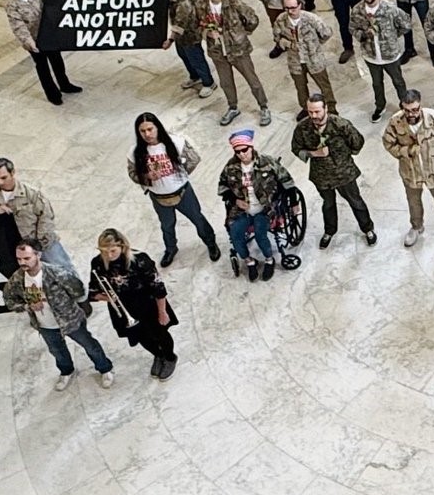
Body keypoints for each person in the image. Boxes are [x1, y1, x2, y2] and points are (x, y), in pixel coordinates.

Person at [5, 238, 114, 392]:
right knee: (57, 351)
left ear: (38, 255)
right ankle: (66, 371)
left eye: (27, 258)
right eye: (19, 259)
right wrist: (27, 306)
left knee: (89, 345)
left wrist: (73, 306)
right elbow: (9, 300)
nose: (23, 262)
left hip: (70, 320)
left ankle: (105, 368)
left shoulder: (58, 273)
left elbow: (78, 290)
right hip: (44, 325)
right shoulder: (17, 280)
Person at [127, 113, 220, 268]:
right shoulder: (135, 151)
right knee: (167, 225)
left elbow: (194, 158)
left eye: (150, 129)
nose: (147, 134)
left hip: (183, 193)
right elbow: (132, 173)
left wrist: (180, 174)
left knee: (197, 218)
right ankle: (171, 249)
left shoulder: (175, 142)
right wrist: (146, 177)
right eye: (142, 131)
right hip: (158, 196)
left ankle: (211, 243)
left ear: (157, 127)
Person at [89, 228, 178, 381]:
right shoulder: (98, 263)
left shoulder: (139, 260)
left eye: (113, 251)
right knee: (141, 337)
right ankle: (158, 355)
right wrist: (107, 298)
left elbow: (158, 287)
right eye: (104, 251)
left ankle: (170, 357)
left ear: (122, 246)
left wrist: (162, 312)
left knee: (160, 333)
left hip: (147, 303)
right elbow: (93, 290)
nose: (109, 255)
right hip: (124, 309)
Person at [291, 93, 376, 247]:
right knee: (328, 204)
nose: (313, 115)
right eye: (310, 112)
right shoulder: (303, 127)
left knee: (355, 201)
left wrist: (344, 157)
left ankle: (367, 229)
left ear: (326, 108)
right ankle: (329, 231)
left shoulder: (341, 125)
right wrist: (313, 153)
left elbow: (357, 142)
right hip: (321, 175)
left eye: (317, 111)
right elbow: (296, 148)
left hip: (344, 173)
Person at [382, 88, 434, 249]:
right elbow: (388, 143)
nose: (411, 114)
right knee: (413, 201)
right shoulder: (395, 122)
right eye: (407, 110)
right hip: (411, 171)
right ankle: (416, 226)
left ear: (420, 106)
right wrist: (407, 151)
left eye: (415, 110)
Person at [196, 0, 271, 128]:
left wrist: (242, 34)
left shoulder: (234, 3)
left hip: (238, 50)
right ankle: (232, 107)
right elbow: (196, 25)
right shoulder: (201, 5)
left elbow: (252, 20)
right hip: (217, 51)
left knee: (252, 81)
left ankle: (263, 106)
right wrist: (207, 33)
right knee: (226, 82)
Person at [0, 157, 76, 273]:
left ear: (12, 173)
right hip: (17, 249)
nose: (0, 182)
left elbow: (46, 217)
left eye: (3, 178)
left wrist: (37, 244)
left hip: (43, 243)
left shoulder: (31, 193)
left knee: (64, 270)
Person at [3, 0, 82, 106]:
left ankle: (65, 84)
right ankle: (52, 94)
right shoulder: (12, 6)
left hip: (48, 34)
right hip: (34, 39)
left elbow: (48, 1)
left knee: (57, 61)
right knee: (43, 67)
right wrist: (29, 42)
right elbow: (18, 26)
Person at [218, 129, 287, 281]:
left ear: (251, 147)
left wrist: (292, 201)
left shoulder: (267, 162)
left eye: (245, 150)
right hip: (242, 210)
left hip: (265, 209)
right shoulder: (230, 167)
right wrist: (235, 200)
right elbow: (223, 186)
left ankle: (269, 259)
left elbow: (286, 181)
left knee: (261, 234)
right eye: (238, 152)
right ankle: (249, 261)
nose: (242, 154)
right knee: (235, 235)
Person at [349, 0, 411, 122]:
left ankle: (405, 106)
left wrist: (393, 36)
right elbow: (352, 28)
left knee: (398, 81)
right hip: (371, 54)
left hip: (389, 54)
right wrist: (363, 35)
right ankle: (380, 105)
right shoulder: (358, 10)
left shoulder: (389, 8)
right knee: (377, 83)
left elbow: (406, 24)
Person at [272, 0, 338, 117]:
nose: (290, 11)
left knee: (324, 85)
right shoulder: (281, 20)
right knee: (300, 87)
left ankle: (331, 107)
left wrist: (315, 44)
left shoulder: (311, 19)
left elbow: (326, 33)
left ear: (300, 5)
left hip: (314, 59)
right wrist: (287, 44)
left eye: (293, 7)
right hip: (295, 61)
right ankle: (305, 108)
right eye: (287, 8)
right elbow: (276, 37)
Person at [161, 0, 217, 98]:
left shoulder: (183, 0)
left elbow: (180, 23)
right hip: (182, 35)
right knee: (183, 54)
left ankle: (208, 82)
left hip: (190, 33)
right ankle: (194, 76)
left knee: (195, 57)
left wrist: (170, 40)